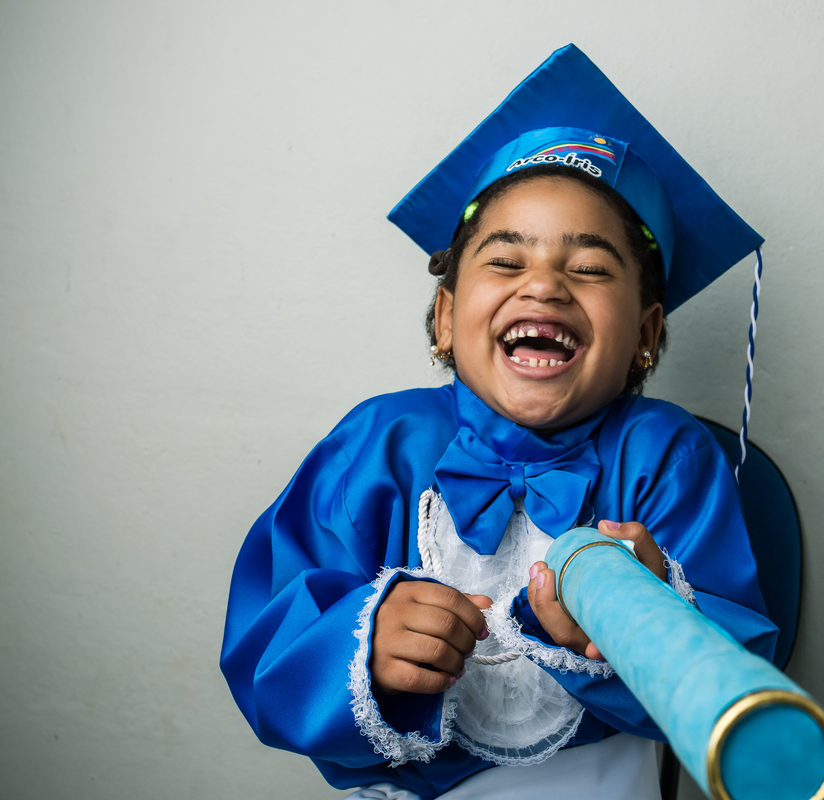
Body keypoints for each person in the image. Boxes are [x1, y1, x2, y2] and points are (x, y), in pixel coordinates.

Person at [221, 44, 776, 800]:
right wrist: (365, 647)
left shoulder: (665, 456)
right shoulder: (375, 446)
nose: (544, 284)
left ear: (647, 332)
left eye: (588, 268)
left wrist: (651, 618)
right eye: (506, 262)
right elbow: (267, 635)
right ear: (447, 317)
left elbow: (733, 661)